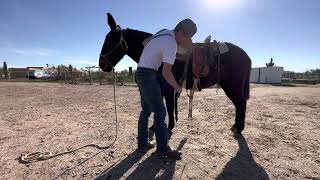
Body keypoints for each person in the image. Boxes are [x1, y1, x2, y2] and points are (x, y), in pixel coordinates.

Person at [135, 19, 197, 158]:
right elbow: (166, 73)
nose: (184, 40)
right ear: (181, 32)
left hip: (139, 71)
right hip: (148, 74)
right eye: (186, 37)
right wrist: (177, 87)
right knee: (160, 112)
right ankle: (163, 150)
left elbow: (145, 42)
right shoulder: (171, 44)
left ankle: (142, 143)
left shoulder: (163, 32)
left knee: (146, 110)